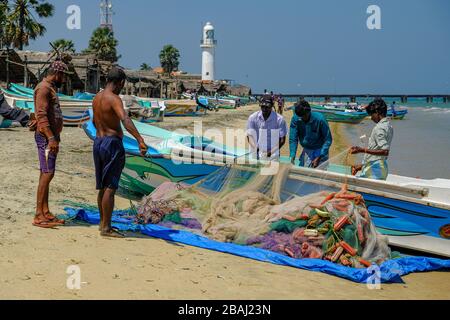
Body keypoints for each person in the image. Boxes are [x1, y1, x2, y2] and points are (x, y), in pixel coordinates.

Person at [93, 67, 148, 238]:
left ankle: (103, 224)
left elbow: (95, 121)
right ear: (121, 82)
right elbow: (124, 118)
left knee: (102, 186)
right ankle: (107, 228)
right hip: (111, 144)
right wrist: (139, 139)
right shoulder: (114, 98)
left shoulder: (97, 98)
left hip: (98, 142)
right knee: (110, 186)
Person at [33, 60, 70, 228]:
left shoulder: (50, 88)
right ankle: (39, 215)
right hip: (47, 138)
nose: (64, 79)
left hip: (51, 137)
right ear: (57, 74)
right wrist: (51, 138)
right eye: (63, 76)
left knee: (46, 172)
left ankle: (45, 211)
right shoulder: (43, 88)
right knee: (47, 173)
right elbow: (41, 115)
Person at [350, 99, 393, 180]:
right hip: (379, 168)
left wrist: (361, 150)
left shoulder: (379, 128)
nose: (371, 118)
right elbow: (377, 154)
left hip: (375, 171)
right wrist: (362, 166)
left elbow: (385, 151)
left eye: (371, 115)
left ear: (377, 113)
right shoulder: (388, 126)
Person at [289, 100, 333, 168]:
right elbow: (293, 139)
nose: (302, 118)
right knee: (304, 174)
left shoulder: (320, 119)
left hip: (320, 149)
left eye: (304, 116)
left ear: (309, 111)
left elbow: (328, 140)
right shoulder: (296, 119)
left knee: (319, 175)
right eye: (300, 117)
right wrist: (292, 156)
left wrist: (319, 156)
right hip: (307, 149)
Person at [247, 94, 287, 161]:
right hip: (256, 151)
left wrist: (270, 152)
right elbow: (249, 136)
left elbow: (282, 140)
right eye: (262, 106)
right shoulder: (252, 118)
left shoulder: (279, 119)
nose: (264, 109)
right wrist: (255, 147)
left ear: (272, 106)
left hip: (273, 153)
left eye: (267, 107)